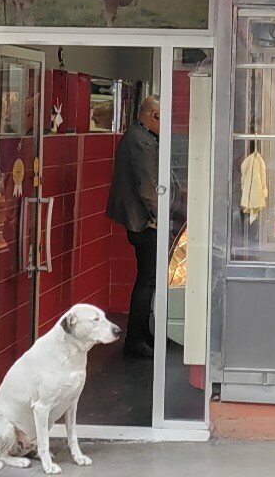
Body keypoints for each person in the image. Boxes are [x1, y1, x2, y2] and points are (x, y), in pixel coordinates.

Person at [106, 95, 181, 358]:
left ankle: (144, 334)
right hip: (145, 223)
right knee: (147, 280)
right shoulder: (140, 141)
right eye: (165, 119)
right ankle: (136, 338)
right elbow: (149, 187)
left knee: (149, 279)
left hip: (145, 220)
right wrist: (163, 221)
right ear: (154, 115)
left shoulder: (141, 137)